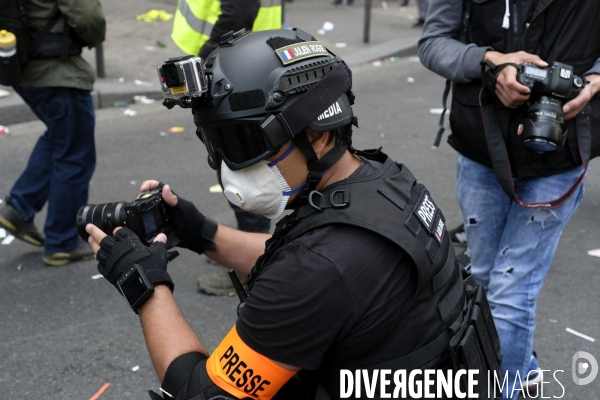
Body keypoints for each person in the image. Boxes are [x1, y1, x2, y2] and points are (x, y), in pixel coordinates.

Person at [85, 29, 498, 399]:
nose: (227, 167)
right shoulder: (383, 183)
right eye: (215, 144)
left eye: (242, 143)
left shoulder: (318, 269)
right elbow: (305, 257)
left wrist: (142, 282)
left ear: (315, 135)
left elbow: (199, 394)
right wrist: (202, 234)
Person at [418, 1, 600, 398]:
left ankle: (504, 389)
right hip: (481, 146)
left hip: (561, 155)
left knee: (510, 290)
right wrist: (489, 62)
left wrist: (593, 81)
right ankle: (523, 369)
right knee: (482, 278)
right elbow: (433, 43)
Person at [171, 0, 282, 295]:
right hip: (245, 62)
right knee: (238, 162)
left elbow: (239, 12)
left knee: (241, 166)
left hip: (232, 68)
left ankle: (254, 265)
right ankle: (246, 249)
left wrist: (205, 64)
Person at [0, 0, 106, 266]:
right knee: (75, 155)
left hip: (22, 63)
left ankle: (19, 209)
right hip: (56, 69)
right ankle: (62, 241)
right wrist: (94, 36)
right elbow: (88, 17)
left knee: (61, 137)